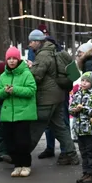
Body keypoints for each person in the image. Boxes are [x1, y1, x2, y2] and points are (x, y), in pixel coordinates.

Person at [27, 30, 79, 165]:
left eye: (32, 41)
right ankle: (71, 154)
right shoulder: (54, 51)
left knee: (35, 126)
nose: (30, 44)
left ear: (38, 42)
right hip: (58, 96)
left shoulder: (43, 55)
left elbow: (36, 76)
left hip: (47, 98)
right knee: (59, 127)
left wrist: (29, 68)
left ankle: (19, 154)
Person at [0, 47, 37, 178]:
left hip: (23, 113)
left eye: (14, 58)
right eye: (9, 59)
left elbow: (31, 90)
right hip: (8, 115)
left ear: (18, 60)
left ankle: (26, 165)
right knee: (10, 141)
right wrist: (4, 92)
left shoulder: (26, 73)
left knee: (23, 142)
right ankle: (17, 165)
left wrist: (15, 90)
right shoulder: (3, 76)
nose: (12, 61)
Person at [70, 72, 92, 183]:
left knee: (91, 152)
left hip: (90, 129)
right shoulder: (78, 93)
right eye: (83, 80)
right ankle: (86, 172)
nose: (84, 83)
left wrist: (83, 108)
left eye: (87, 81)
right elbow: (71, 107)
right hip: (79, 129)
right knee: (83, 152)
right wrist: (74, 110)